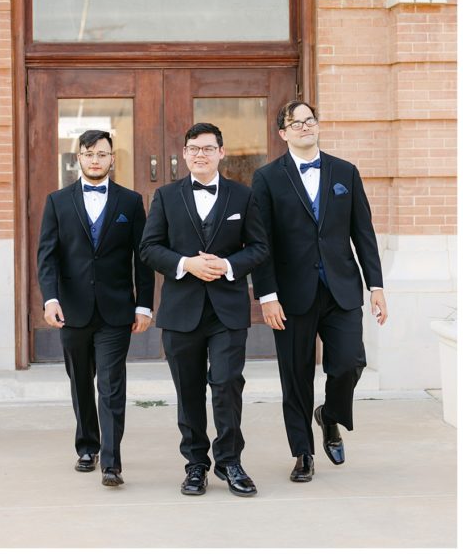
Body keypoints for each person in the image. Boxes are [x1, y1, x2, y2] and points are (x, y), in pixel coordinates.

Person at [251, 101, 387, 482]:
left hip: (341, 288)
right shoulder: (267, 178)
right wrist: (267, 295)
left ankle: (329, 415)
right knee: (294, 377)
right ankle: (303, 453)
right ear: (283, 133)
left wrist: (375, 285)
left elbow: (363, 232)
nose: (305, 127)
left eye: (310, 120)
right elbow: (261, 243)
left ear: (317, 126)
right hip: (291, 295)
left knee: (350, 362)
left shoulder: (345, 172)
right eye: (296, 123)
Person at [139, 123, 268, 497]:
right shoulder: (165, 196)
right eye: (194, 148)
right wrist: (186, 264)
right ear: (184, 152)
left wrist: (227, 266)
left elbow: (259, 247)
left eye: (208, 148)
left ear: (221, 153)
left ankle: (230, 461)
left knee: (227, 384)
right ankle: (196, 465)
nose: (200, 154)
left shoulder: (242, 197)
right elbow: (149, 248)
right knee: (189, 391)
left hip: (227, 310)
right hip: (182, 311)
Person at [36, 129, 155, 487]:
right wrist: (50, 298)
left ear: (112, 158)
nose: (95, 160)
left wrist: (144, 305)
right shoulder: (57, 201)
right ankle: (86, 445)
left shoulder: (131, 202)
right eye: (88, 154)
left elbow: (143, 258)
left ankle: (111, 461)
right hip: (72, 309)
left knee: (111, 383)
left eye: (102, 154)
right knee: (80, 382)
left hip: (116, 310)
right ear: (78, 159)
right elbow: (47, 256)